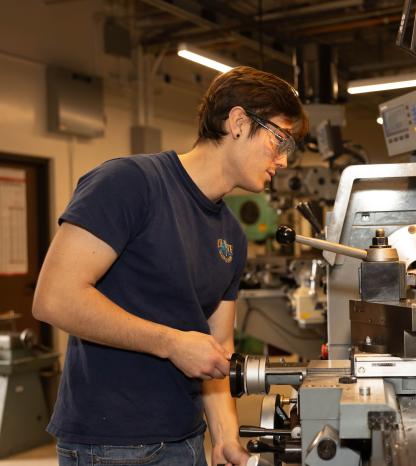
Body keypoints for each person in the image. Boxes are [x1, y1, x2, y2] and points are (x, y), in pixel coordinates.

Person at [33, 66, 309, 466]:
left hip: (186, 438)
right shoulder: (130, 182)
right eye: (279, 140)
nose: (283, 161)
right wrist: (171, 342)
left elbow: (219, 348)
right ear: (237, 122)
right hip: (112, 445)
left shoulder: (232, 235)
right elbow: (54, 298)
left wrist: (226, 438)